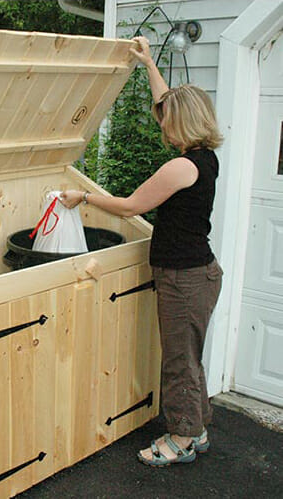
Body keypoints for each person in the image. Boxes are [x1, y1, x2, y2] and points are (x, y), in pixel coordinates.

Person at [60, 36, 223, 467]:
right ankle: (197, 427)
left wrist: (85, 198)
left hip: (184, 278)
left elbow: (132, 206)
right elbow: (167, 99)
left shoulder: (180, 167)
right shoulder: (204, 158)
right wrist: (149, 64)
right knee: (188, 356)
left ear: (182, 122)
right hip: (197, 273)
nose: (162, 125)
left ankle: (182, 439)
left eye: (167, 119)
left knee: (179, 362)